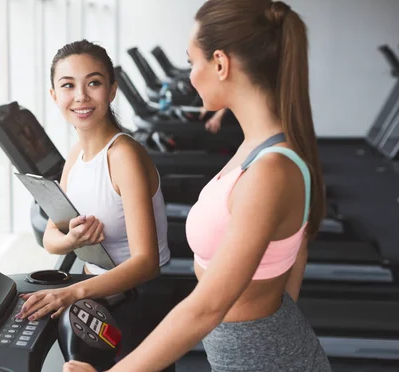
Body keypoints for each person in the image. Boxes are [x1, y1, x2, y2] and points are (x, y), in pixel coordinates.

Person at [64, 1, 332, 371]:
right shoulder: (258, 148)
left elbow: (206, 307)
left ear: (220, 64)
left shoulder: (270, 169)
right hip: (251, 352)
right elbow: (294, 254)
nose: (190, 75)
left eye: (192, 62)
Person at [15, 39, 173, 367]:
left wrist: (71, 293)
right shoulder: (76, 156)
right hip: (95, 291)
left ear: (112, 90)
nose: (81, 96)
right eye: (68, 85)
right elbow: (50, 238)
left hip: (135, 302)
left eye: (94, 83)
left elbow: (147, 263)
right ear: (54, 95)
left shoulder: (123, 156)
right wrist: (72, 239)